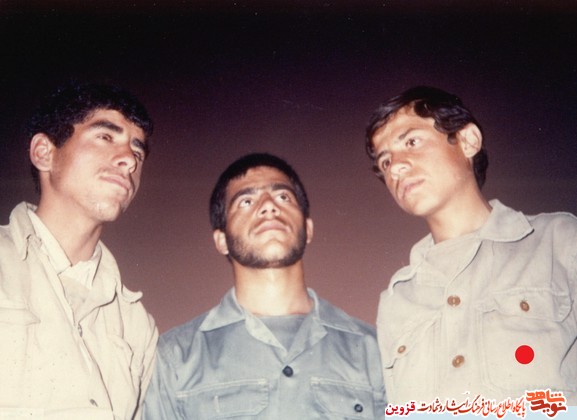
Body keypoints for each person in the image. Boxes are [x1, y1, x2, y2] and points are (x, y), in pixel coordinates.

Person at [364, 86, 577, 405]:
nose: (395, 167)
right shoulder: (397, 301)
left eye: (411, 142)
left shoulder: (559, 242)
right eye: (385, 162)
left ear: (468, 140)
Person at [143, 153, 386, 419]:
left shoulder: (376, 351)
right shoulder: (175, 357)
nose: (269, 206)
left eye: (283, 197)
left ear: (308, 229)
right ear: (221, 240)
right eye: (246, 201)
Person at [0, 82, 159, 419]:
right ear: (44, 153)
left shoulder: (136, 325)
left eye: (138, 150)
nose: (129, 160)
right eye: (105, 136)